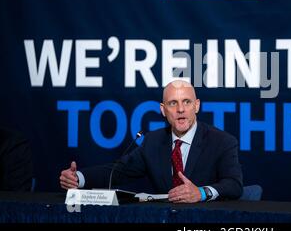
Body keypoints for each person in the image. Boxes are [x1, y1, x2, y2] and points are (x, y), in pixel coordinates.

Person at [59, 80, 243, 203]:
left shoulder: (222, 141)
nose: (180, 109)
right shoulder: (153, 141)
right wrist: (79, 178)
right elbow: (118, 171)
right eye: (173, 103)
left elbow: (234, 185)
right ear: (163, 110)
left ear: (197, 106)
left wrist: (202, 193)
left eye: (187, 102)